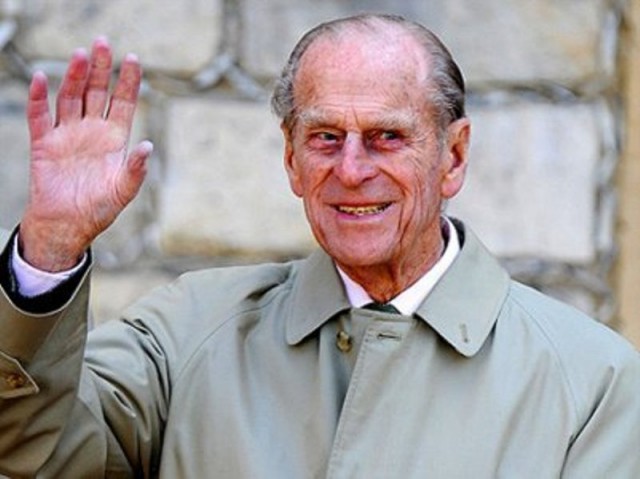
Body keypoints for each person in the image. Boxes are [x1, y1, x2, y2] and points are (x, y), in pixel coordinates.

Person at [0, 13, 638, 478]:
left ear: (453, 156)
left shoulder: (593, 381)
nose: (352, 170)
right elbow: (34, 446)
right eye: (326, 137)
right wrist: (51, 244)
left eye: (387, 137)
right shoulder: (188, 333)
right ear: (291, 159)